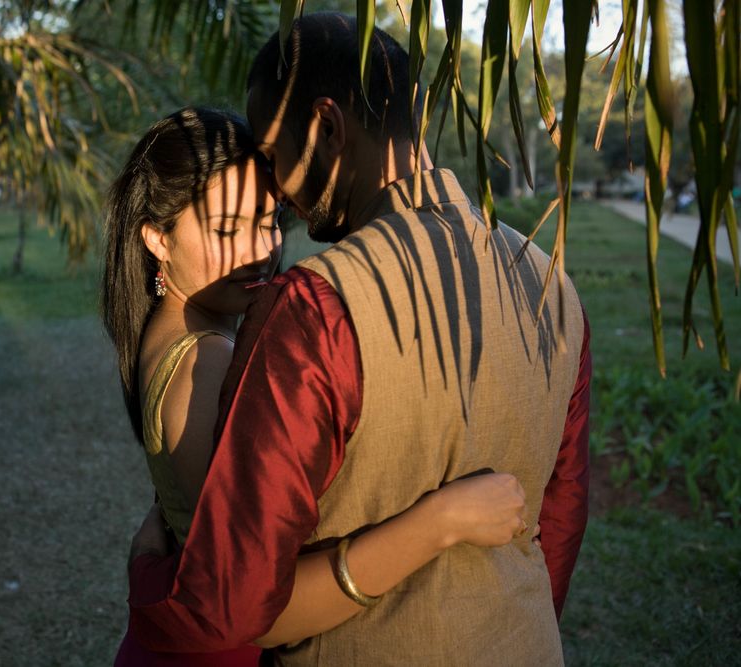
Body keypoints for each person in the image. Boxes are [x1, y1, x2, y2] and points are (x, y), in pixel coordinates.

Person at [125, 15, 592, 666]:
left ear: (325, 127)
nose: (279, 188)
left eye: (273, 154)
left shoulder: (317, 306)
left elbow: (236, 598)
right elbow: (559, 523)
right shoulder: (554, 289)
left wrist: (151, 578)